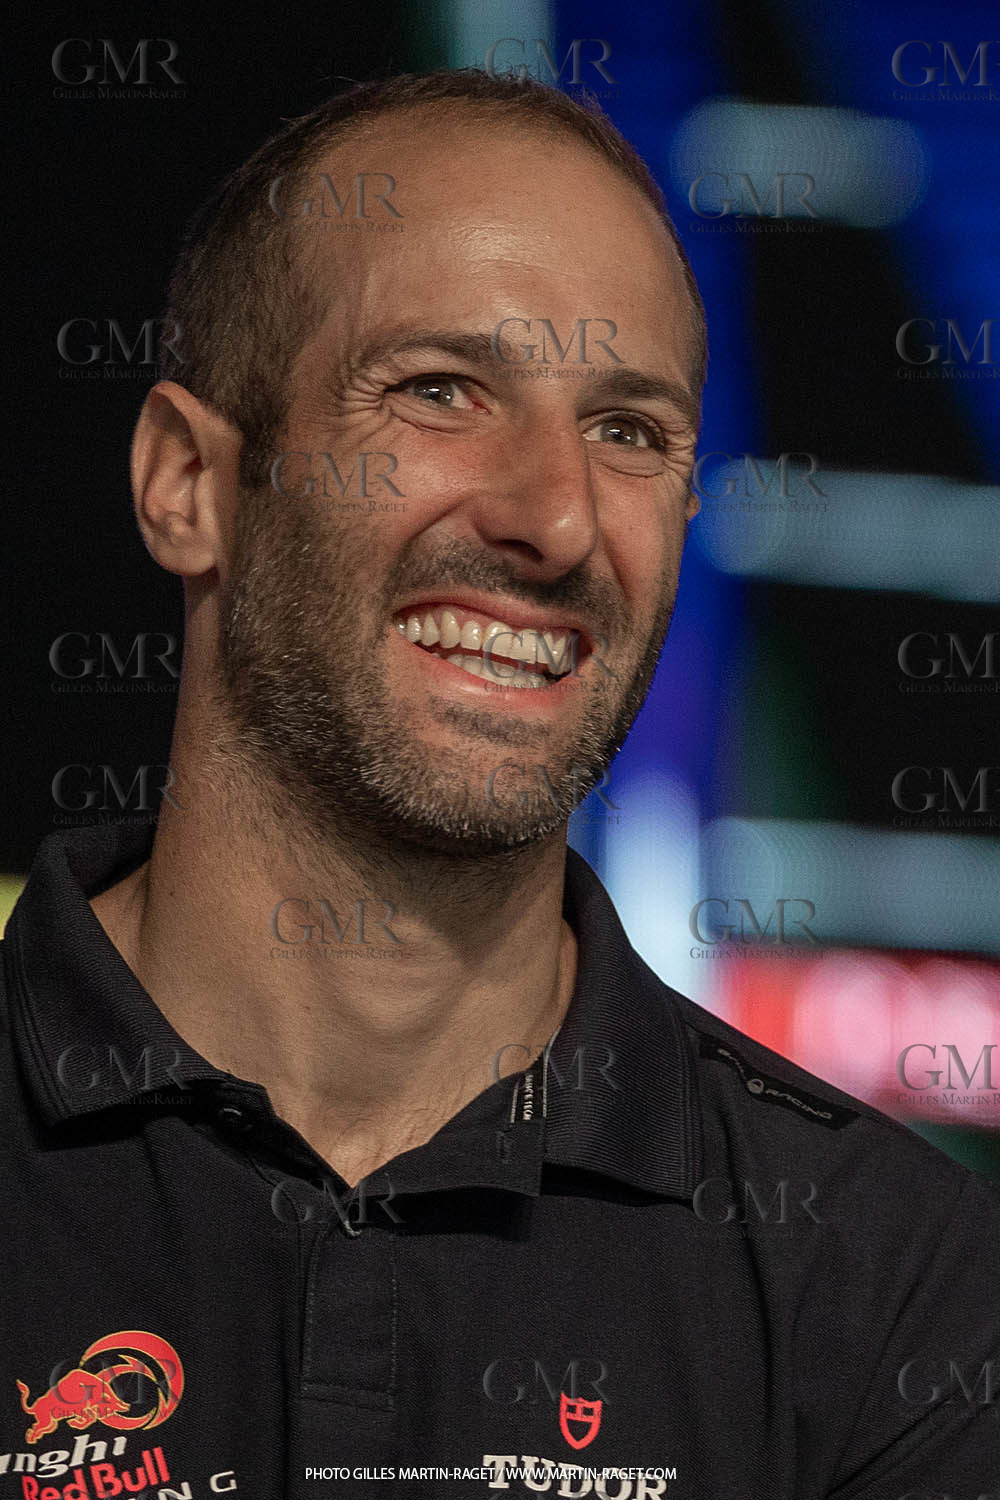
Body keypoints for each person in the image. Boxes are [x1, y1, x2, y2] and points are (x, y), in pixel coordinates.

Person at [2, 71, 997, 1500]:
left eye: (631, 430)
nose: (555, 514)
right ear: (186, 483)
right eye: (440, 391)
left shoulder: (895, 1284)